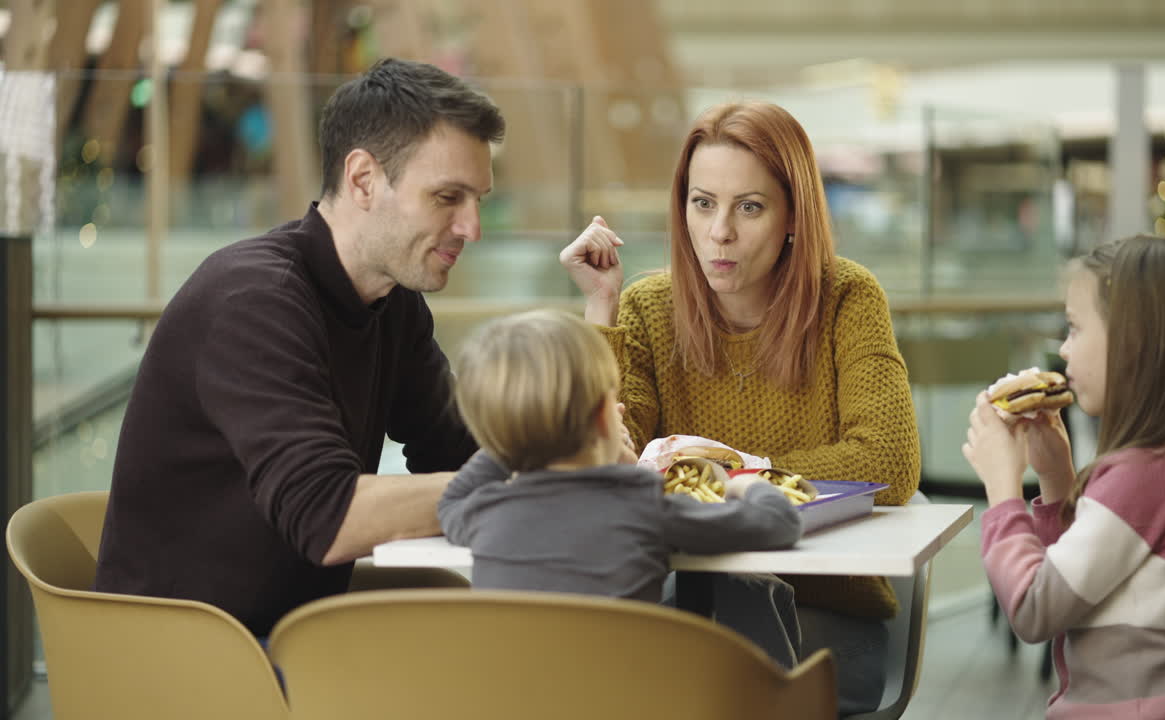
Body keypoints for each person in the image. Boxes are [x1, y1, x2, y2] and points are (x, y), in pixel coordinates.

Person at [94, 58, 506, 638]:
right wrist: (521, 479)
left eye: (478, 201)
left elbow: (456, 450)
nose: (472, 227)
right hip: (185, 656)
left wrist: (556, 453)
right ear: (362, 179)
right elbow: (328, 516)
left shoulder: (392, 301)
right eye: (448, 197)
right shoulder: (253, 301)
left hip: (290, 632)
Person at [558, 101, 921, 713]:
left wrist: (715, 470)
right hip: (678, 606)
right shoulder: (648, 308)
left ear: (792, 218)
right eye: (703, 203)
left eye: (748, 207)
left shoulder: (848, 298)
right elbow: (602, 466)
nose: (719, 232)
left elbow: (887, 462)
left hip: (822, 620)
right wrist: (601, 311)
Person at [963, 235, 1165, 720]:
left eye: (1075, 329)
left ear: (1133, 343)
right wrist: (1057, 479)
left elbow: (1035, 608)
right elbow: (1089, 581)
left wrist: (1003, 492)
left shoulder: (1140, 479)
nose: (1063, 347)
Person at [437, 309, 803, 601]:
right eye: (614, 399)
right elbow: (777, 525)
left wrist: (511, 436)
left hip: (514, 695)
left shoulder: (485, 512)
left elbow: (450, 500)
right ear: (601, 417)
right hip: (631, 693)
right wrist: (748, 487)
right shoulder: (643, 505)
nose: (623, 408)